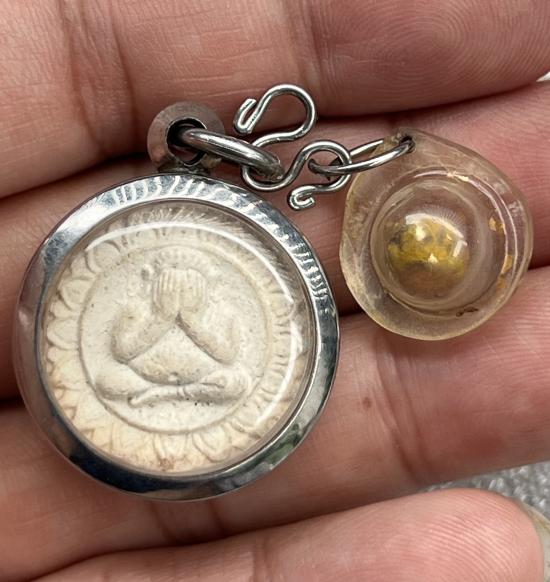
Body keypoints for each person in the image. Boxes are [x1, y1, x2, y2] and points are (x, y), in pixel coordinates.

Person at [1, 1, 549, 579]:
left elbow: (228, 359)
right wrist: (161, 314)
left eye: (192, 269)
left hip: (209, 385)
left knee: (235, 381)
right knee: (111, 380)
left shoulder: (214, 308)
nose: (179, 276)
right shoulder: (141, 301)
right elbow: (118, 354)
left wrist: (192, 317)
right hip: (133, 390)